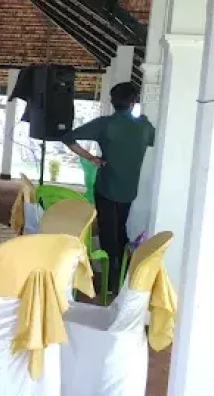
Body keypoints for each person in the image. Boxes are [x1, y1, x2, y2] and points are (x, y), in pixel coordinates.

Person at [60, 82, 155, 294]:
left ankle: (109, 278)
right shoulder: (144, 127)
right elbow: (158, 140)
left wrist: (92, 158)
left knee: (107, 230)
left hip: (106, 186)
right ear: (133, 102)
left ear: (113, 102)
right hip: (129, 188)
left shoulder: (105, 124)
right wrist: (145, 121)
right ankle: (120, 276)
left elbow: (67, 138)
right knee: (120, 229)